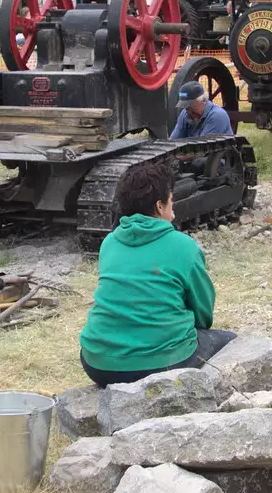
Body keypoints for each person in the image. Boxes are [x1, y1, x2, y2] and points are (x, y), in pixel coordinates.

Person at [77, 160, 234, 386]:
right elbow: (203, 315)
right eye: (171, 201)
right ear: (160, 206)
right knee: (231, 341)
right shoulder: (184, 246)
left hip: (98, 364)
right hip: (164, 362)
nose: (173, 211)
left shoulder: (109, 242)